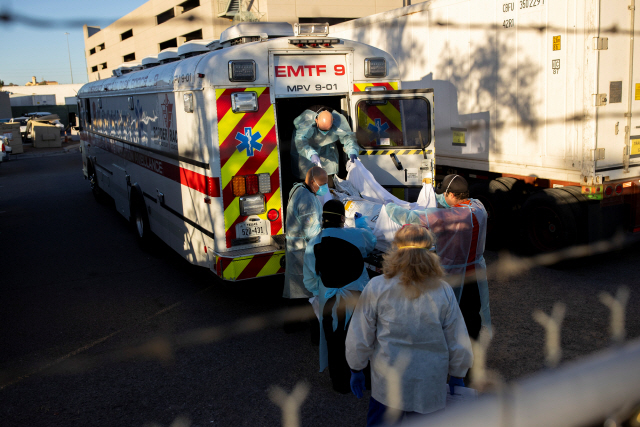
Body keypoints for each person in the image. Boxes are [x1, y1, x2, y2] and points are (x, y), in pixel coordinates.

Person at [346, 224, 473, 426]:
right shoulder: (443, 290)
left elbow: (360, 334)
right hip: (429, 382)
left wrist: (356, 367)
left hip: (388, 382)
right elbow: (457, 337)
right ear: (430, 252)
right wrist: (459, 372)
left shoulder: (377, 286)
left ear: (395, 250)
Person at [384, 174, 490, 340]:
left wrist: (389, 206)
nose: (441, 198)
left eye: (444, 194)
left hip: (452, 277)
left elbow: (411, 217)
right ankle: (472, 352)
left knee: (451, 315)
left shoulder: (450, 217)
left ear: (452, 195)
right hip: (475, 274)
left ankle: (456, 354)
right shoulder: (479, 207)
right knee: (472, 315)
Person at [303, 200, 377, 393]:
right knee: (361, 337)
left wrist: (321, 292)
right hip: (358, 298)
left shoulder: (313, 243)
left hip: (329, 300)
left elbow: (309, 279)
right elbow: (371, 242)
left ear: (322, 219)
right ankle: (365, 380)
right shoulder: (357, 235)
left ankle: (340, 383)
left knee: (334, 340)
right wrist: (362, 224)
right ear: (343, 219)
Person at [283, 166, 328, 299]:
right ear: (313, 182)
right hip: (302, 251)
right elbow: (312, 232)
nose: (325, 187)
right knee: (303, 292)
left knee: (298, 289)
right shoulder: (306, 199)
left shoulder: (299, 189)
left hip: (296, 248)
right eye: (323, 184)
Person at [290, 106, 360, 180]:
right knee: (308, 176)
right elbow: (300, 141)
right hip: (306, 149)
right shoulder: (307, 120)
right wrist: (310, 154)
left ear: (333, 120)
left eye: (327, 130)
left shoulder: (338, 120)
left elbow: (348, 138)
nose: (324, 133)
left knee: (328, 175)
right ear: (316, 120)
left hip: (327, 150)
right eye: (322, 129)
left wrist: (352, 152)